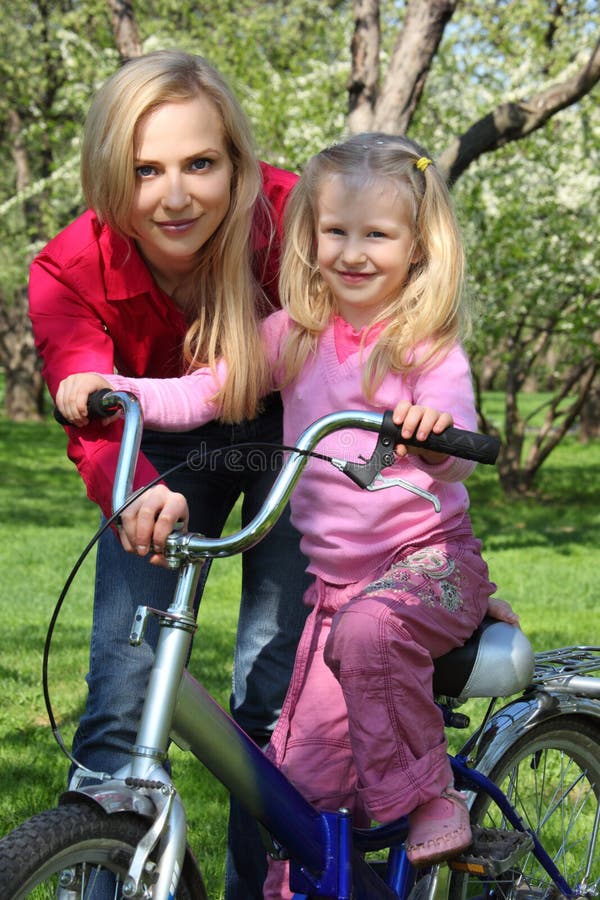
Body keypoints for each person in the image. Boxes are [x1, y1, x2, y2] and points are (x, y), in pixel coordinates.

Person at [57, 132, 518, 897]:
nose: (353, 252)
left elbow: (458, 446)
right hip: (335, 594)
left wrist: (433, 435)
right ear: (309, 236)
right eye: (335, 232)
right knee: (293, 796)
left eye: (377, 235)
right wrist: (120, 385)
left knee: (373, 632)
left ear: (417, 246)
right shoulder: (292, 337)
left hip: (426, 562)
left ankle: (427, 793)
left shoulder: (425, 349)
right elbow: (205, 390)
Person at [28, 49, 311, 899]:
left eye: (200, 164)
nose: (176, 195)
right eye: (146, 170)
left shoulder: (293, 218)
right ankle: (104, 877)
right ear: (110, 170)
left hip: (293, 432)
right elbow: (91, 400)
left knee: (276, 689)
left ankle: (265, 887)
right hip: (156, 450)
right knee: (122, 684)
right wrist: (135, 485)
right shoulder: (67, 269)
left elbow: (391, 339)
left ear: (238, 161)